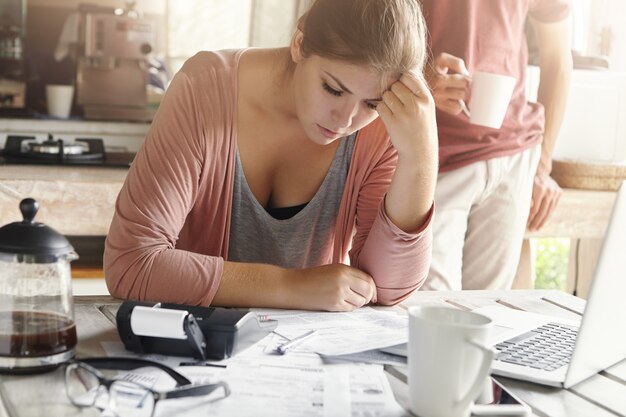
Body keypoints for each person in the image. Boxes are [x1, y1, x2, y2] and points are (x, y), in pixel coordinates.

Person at [104, 0, 437, 311]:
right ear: (299, 44)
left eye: (372, 104)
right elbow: (131, 264)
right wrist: (291, 286)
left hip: (306, 358)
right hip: (192, 352)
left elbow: (389, 290)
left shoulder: (383, 125)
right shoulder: (205, 88)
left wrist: (421, 158)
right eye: (333, 89)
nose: (346, 120)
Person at [420, 0, 572, 290]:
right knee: (429, 309)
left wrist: (542, 166)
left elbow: (558, 61)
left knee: (489, 316)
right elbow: (367, 41)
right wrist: (418, 79)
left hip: (513, 155)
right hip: (432, 155)